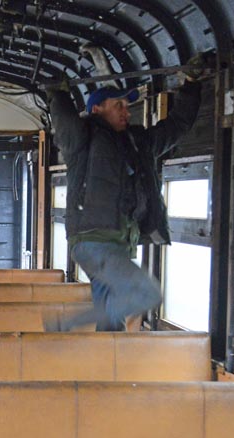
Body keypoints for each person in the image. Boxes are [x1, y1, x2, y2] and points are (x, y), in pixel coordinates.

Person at [44, 54, 204, 332]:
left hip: (117, 243)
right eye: (118, 105)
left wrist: (190, 85)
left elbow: (176, 126)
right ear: (97, 110)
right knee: (148, 294)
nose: (126, 112)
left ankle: (103, 366)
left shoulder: (137, 142)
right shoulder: (84, 137)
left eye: (127, 106)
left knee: (112, 322)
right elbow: (66, 123)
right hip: (94, 241)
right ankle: (65, 325)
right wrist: (58, 94)